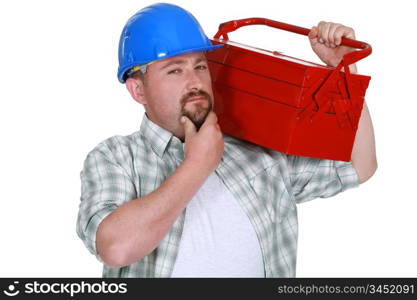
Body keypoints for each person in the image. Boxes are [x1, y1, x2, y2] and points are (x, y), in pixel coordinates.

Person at [76, 3, 377, 278]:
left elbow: (359, 164)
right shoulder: (116, 157)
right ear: (138, 90)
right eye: (175, 70)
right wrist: (197, 164)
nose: (194, 81)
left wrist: (346, 75)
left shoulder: (258, 152)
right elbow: (115, 249)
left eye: (200, 66)